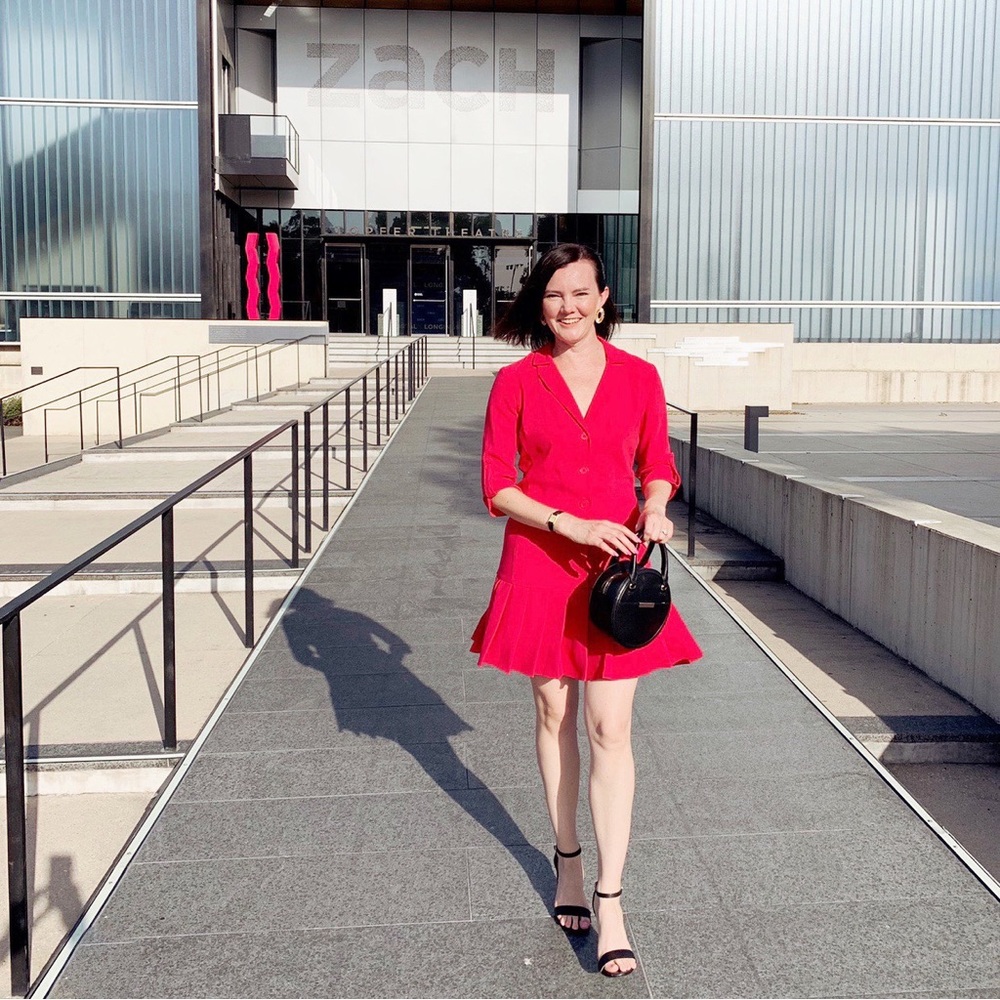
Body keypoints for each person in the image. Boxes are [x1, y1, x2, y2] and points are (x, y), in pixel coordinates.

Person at [470, 243, 702, 978]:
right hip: (542, 559)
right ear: (539, 305)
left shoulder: (638, 377)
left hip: (615, 566)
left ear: (603, 299)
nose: (567, 306)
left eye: (580, 293)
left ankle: (611, 898)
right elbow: (496, 486)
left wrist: (655, 507)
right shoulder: (516, 381)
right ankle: (567, 860)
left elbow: (658, 466)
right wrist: (565, 523)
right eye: (553, 295)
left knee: (611, 727)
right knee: (553, 713)